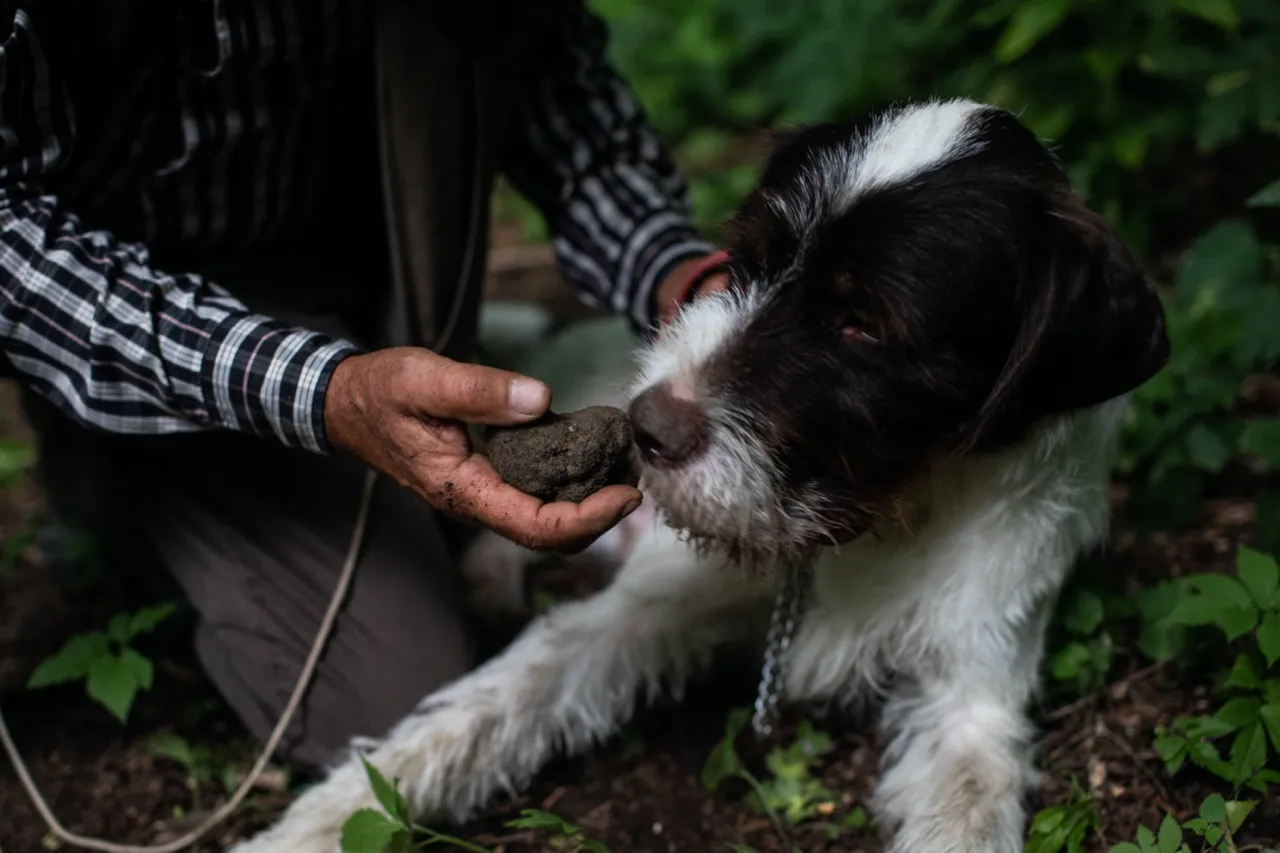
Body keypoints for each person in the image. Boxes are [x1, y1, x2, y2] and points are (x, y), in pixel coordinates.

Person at [0, 0, 728, 770]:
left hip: (358, 255)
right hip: (108, 286)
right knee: (384, 700)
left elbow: (549, 76)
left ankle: (429, 361)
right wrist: (326, 393)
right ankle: (118, 459)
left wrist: (676, 269)